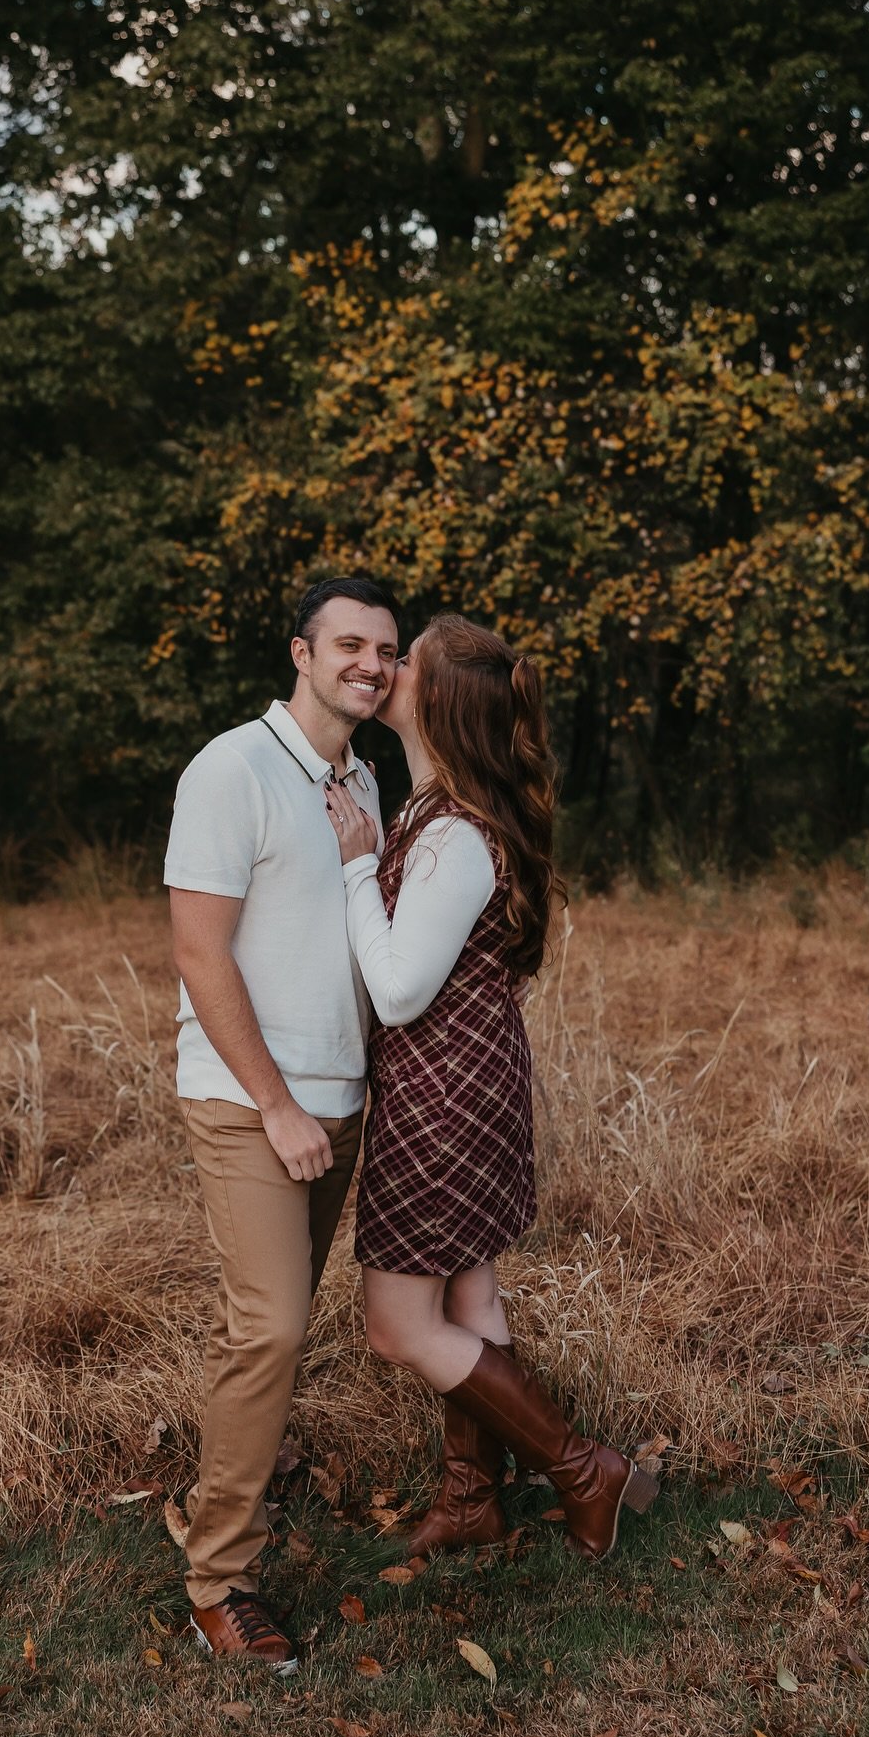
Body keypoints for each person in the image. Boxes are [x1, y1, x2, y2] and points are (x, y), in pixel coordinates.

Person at [323, 615, 658, 1564]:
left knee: (396, 1327)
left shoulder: (453, 838)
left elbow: (398, 987)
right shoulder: (434, 813)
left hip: (443, 1105)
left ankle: (583, 1468)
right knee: (469, 1300)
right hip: (460, 1086)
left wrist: (354, 866)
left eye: (403, 663)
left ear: (432, 701)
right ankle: (473, 1499)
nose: (383, 671)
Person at [164, 575, 399, 1675]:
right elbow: (200, 952)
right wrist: (276, 1105)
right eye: (348, 643)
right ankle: (220, 1582)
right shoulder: (233, 768)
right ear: (299, 654)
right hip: (251, 1102)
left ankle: (213, 1490)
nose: (371, 662)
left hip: (342, 1103)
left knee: (267, 1329)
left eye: (385, 650)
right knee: (271, 1330)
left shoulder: (366, 778)